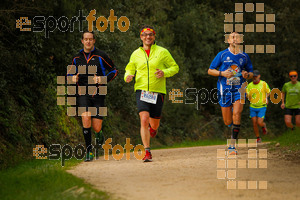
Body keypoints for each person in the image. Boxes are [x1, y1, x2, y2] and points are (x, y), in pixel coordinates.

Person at [124, 25, 179, 162]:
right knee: (144, 119)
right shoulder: (135, 53)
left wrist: (164, 72)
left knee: (154, 125)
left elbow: (175, 67)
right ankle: (147, 151)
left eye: (150, 35)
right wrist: (128, 75)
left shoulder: (162, 52)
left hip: (158, 91)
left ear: (154, 37)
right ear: (141, 37)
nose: (148, 37)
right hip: (141, 90)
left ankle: (153, 129)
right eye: (145, 35)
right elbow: (130, 68)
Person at [70, 31, 118, 161]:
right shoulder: (76, 58)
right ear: (82, 41)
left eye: (90, 39)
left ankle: (99, 133)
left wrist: (103, 79)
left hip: (98, 93)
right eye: (86, 39)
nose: (88, 41)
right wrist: (72, 78)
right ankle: (89, 151)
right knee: (85, 118)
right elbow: (69, 74)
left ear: (94, 41)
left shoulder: (101, 56)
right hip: (83, 93)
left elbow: (114, 70)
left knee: (96, 126)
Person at [208, 32, 253, 155]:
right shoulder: (222, 55)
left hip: (240, 89)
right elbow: (210, 70)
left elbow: (251, 73)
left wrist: (247, 75)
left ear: (240, 40)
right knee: (227, 121)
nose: (234, 39)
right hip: (225, 90)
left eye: (237, 37)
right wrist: (222, 73)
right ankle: (232, 124)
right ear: (228, 40)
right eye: (232, 37)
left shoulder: (244, 56)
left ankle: (232, 145)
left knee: (237, 113)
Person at [246, 70, 270, 143]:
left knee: (259, 122)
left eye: (256, 76)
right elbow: (247, 95)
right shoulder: (250, 85)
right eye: (253, 76)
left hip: (262, 106)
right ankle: (258, 138)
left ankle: (263, 126)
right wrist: (248, 96)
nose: (254, 78)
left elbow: (268, 92)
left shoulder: (263, 83)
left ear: (259, 76)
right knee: (254, 123)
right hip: (253, 106)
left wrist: (266, 98)